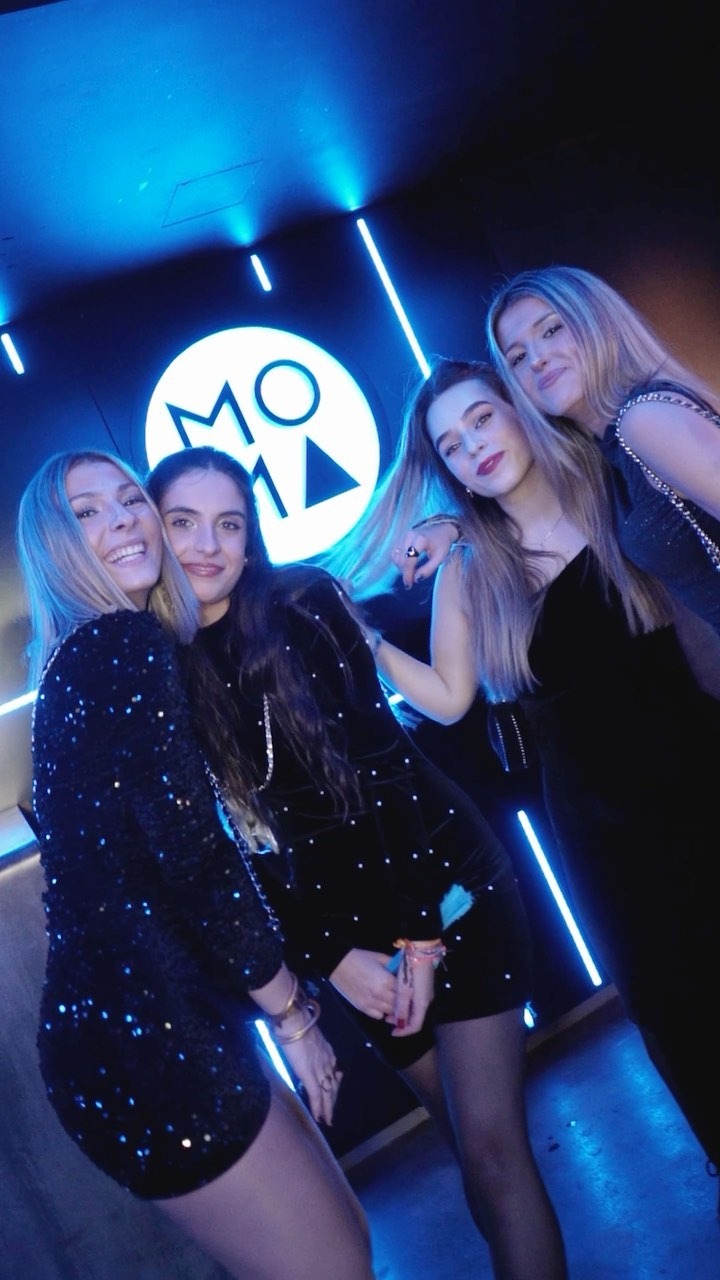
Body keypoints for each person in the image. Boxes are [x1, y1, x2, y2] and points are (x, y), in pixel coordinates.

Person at [146, 444, 570, 1280]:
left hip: (445, 892)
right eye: (183, 522)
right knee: (467, 1150)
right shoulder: (162, 664)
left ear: (252, 537)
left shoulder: (302, 603)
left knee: (494, 1154)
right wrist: (334, 958)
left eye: (229, 524)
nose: (207, 545)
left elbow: (387, 774)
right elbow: (242, 848)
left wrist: (419, 942)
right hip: (352, 939)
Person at [322, 357, 720, 1182]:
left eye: (481, 420)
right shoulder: (472, 564)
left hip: (700, 771)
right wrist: (368, 641)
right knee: (676, 1007)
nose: (474, 446)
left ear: (516, 410)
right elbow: (447, 698)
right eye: (452, 445)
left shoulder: (608, 488)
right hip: (602, 828)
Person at [16, 449, 375, 1280]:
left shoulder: (75, 657)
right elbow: (197, 861)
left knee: (343, 1248)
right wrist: (293, 1017)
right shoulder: (120, 645)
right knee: (335, 1264)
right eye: (87, 513)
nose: (123, 522)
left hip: (136, 1033)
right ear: (54, 545)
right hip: (150, 1041)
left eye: (129, 500)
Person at [484, 263, 720, 638]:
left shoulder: (644, 420)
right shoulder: (609, 451)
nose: (537, 359)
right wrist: (446, 528)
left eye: (551, 330)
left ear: (597, 322)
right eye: (517, 358)